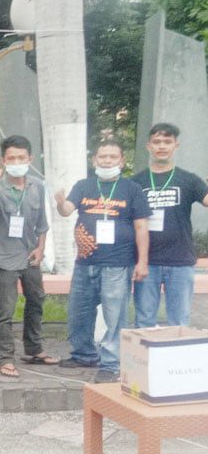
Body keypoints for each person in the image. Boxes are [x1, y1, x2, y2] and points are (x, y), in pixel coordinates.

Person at [55, 138, 151, 383]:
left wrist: (142, 262)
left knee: (114, 315)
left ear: (122, 161)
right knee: (79, 312)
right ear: (94, 160)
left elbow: (141, 227)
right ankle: (83, 354)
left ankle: (111, 363)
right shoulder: (84, 185)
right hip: (85, 262)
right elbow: (66, 210)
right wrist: (60, 201)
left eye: (112, 157)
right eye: (102, 156)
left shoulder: (132, 189)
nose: (107, 161)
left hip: (117, 263)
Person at [0, 135, 58, 378]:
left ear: (30, 159)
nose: (16, 162)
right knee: (6, 310)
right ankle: (6, 357)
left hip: (30, 254)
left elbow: (42, 223)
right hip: (4, 258)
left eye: (21, 158)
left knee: (36, 300)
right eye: (11, 158)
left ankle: (34, 349)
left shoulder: (37, 186)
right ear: (3, 161)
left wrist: (41, 248)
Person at [131, 123, 208, 328]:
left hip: (180, 261)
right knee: (144, 321)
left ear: (176, 146)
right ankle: (146, 351)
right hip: (147, 262)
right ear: (149, 146)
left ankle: (177, 351)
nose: (162, 146)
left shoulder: (189, 179)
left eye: (167, 142)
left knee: (179, 321)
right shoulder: (135, 182)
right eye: (157, 142)